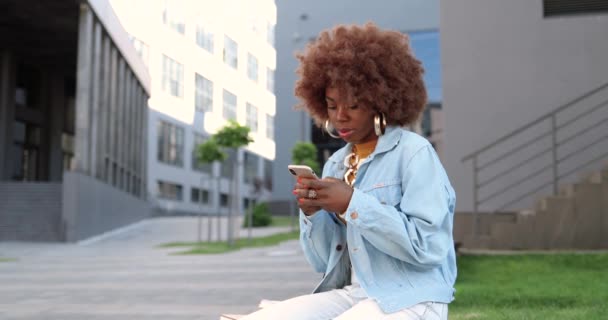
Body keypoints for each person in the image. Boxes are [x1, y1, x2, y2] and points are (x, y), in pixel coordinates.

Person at [241, 22, 456, 320]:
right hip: (354, 294)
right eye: (331, 106)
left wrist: (352, 203)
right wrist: (314, 214)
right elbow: (323, 262)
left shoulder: (413, 152)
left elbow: (428, 247)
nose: (340, 117)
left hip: (413, 295)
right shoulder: (335, 164)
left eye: (354, 105)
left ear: (381, 102)